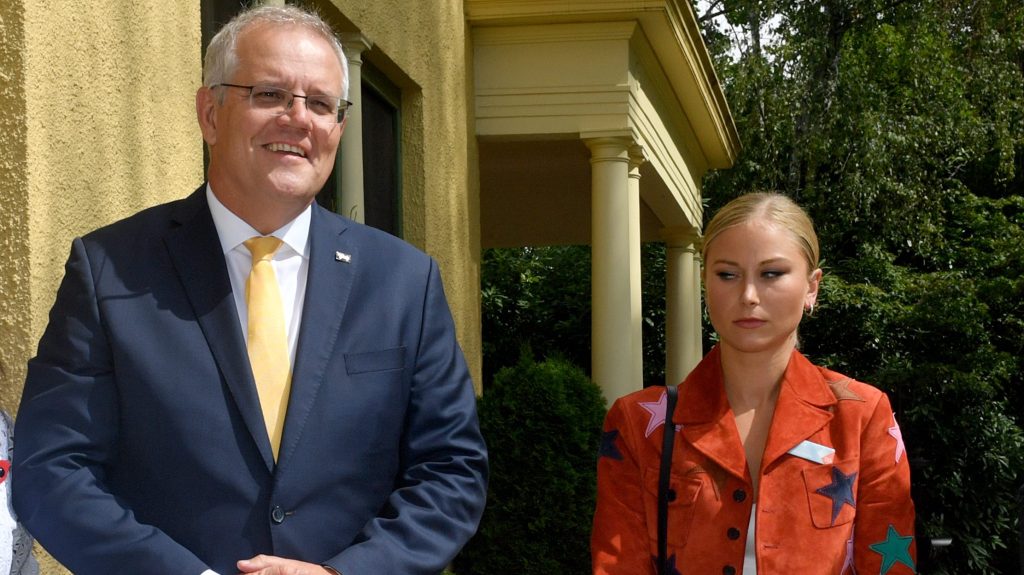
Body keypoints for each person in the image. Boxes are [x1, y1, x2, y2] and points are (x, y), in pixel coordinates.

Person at [12, 6, 487, 575]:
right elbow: (52, 470)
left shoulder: (404, 282)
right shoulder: (111, 269)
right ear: (210, 114)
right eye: (270, 94)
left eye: (320, 103)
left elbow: (451, 469)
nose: (299, 119)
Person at [592, 193, 915, 574]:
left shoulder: (861, 418)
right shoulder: (638, 425)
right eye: (727, 275)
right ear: (705, 282)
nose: (747, 296)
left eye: (771, 274)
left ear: (812, 287)